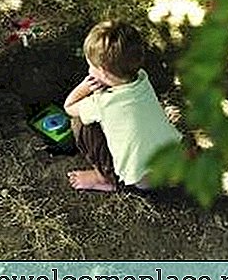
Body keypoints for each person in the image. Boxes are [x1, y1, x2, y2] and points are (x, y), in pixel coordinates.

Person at [64, 20, 182, 192]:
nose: (89, 71)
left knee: (80, 124)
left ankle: (104, 179)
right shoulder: (142, 78)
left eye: (91, 67)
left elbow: (69, 106)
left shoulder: (103, 104)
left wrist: (86, 86)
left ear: (103, 71)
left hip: (141, 178)